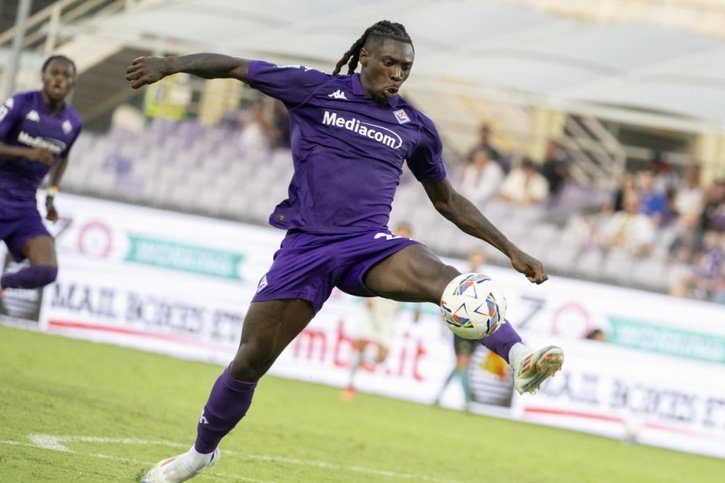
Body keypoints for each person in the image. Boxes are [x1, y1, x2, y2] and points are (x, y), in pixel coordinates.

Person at [126, 20, 564, 483]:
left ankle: (520, 359)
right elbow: (236, 67)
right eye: (390, 63)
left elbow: (447, 200)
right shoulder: (314, 90)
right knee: (251, 360)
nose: (397, 74)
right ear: (365, 59)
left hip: (367, 246)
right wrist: (169, 65)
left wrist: (511, 250)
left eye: (406, 67)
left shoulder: (413, 126)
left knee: (447, 279)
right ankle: (200, 455)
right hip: (307, 247)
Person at [0, 55, 82, 299]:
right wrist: (28, 153)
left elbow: (63, 157)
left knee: (47, 270)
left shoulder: (73, 123)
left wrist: (51, 197)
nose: (59, 79)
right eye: (54, 73)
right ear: (43, 78)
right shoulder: (20, 104)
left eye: (66, 75)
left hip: (23, 205)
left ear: (72, 83)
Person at [342, 222, 418, 400]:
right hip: (374, 303)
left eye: (406, 233)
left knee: (382, 356)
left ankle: (359, 363)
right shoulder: (382, 250)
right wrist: (367, 295)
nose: (402, 235)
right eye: (400, 231)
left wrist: (417, 307)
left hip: (389, 312)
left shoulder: (411, 260)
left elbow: (416, 283)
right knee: (360, 343)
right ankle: (350, 383)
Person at [433, 249, 488, 411]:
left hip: (476, 330)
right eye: (474, 259)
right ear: (469, 260)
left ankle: (440, 396)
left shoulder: (484, 283)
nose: (476, 262)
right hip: (461, 329)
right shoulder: (460, 281)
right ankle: (467, 401)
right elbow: (447, 302)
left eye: (479, 260)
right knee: (462, 364)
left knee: (461, 365)